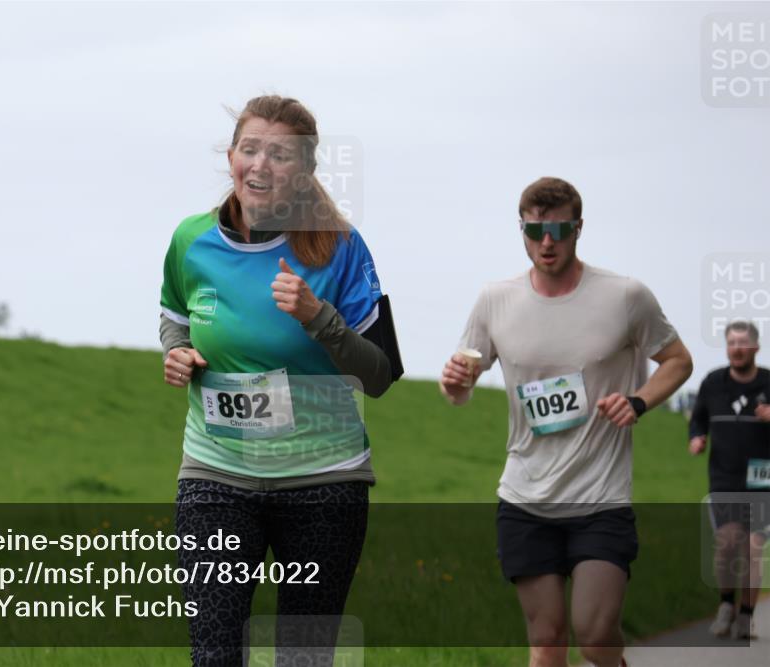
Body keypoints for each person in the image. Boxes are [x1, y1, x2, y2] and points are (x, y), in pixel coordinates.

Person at [159, 95, 402, 667]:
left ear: (306, 169)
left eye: (280, 155)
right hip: (216, 473)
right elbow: (174, 315)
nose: (261, 165)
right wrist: (177, 352)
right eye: (250, 149)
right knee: (214, 655)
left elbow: (380, 375)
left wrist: (320, 318)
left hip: (322, 480)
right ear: (231, 157)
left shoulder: (341, 247)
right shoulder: (191, 240)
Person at [440, 177, 692, 667]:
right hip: (525, 498)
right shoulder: (495, 299)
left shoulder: (625, 296)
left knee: (595, 637)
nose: (547, 243)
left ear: (578, 228)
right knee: (547, 642)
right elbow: (461, 387)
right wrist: (454, 383)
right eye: (535, 231)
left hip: (600, 498)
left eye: (558, 230)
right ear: (522, 230)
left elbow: (679, 360)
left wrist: (639, 402)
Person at [688, 320, 770, 639]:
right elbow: (698, 419)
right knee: (726, 543)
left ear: (755, 347)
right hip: (723, 477)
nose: (737, 348)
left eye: (743, 343)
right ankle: (726, 605)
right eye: (731, 342)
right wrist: (697, 437)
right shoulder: (713, 383)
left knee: (752, 548)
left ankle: (746, 616)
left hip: (762, 480)